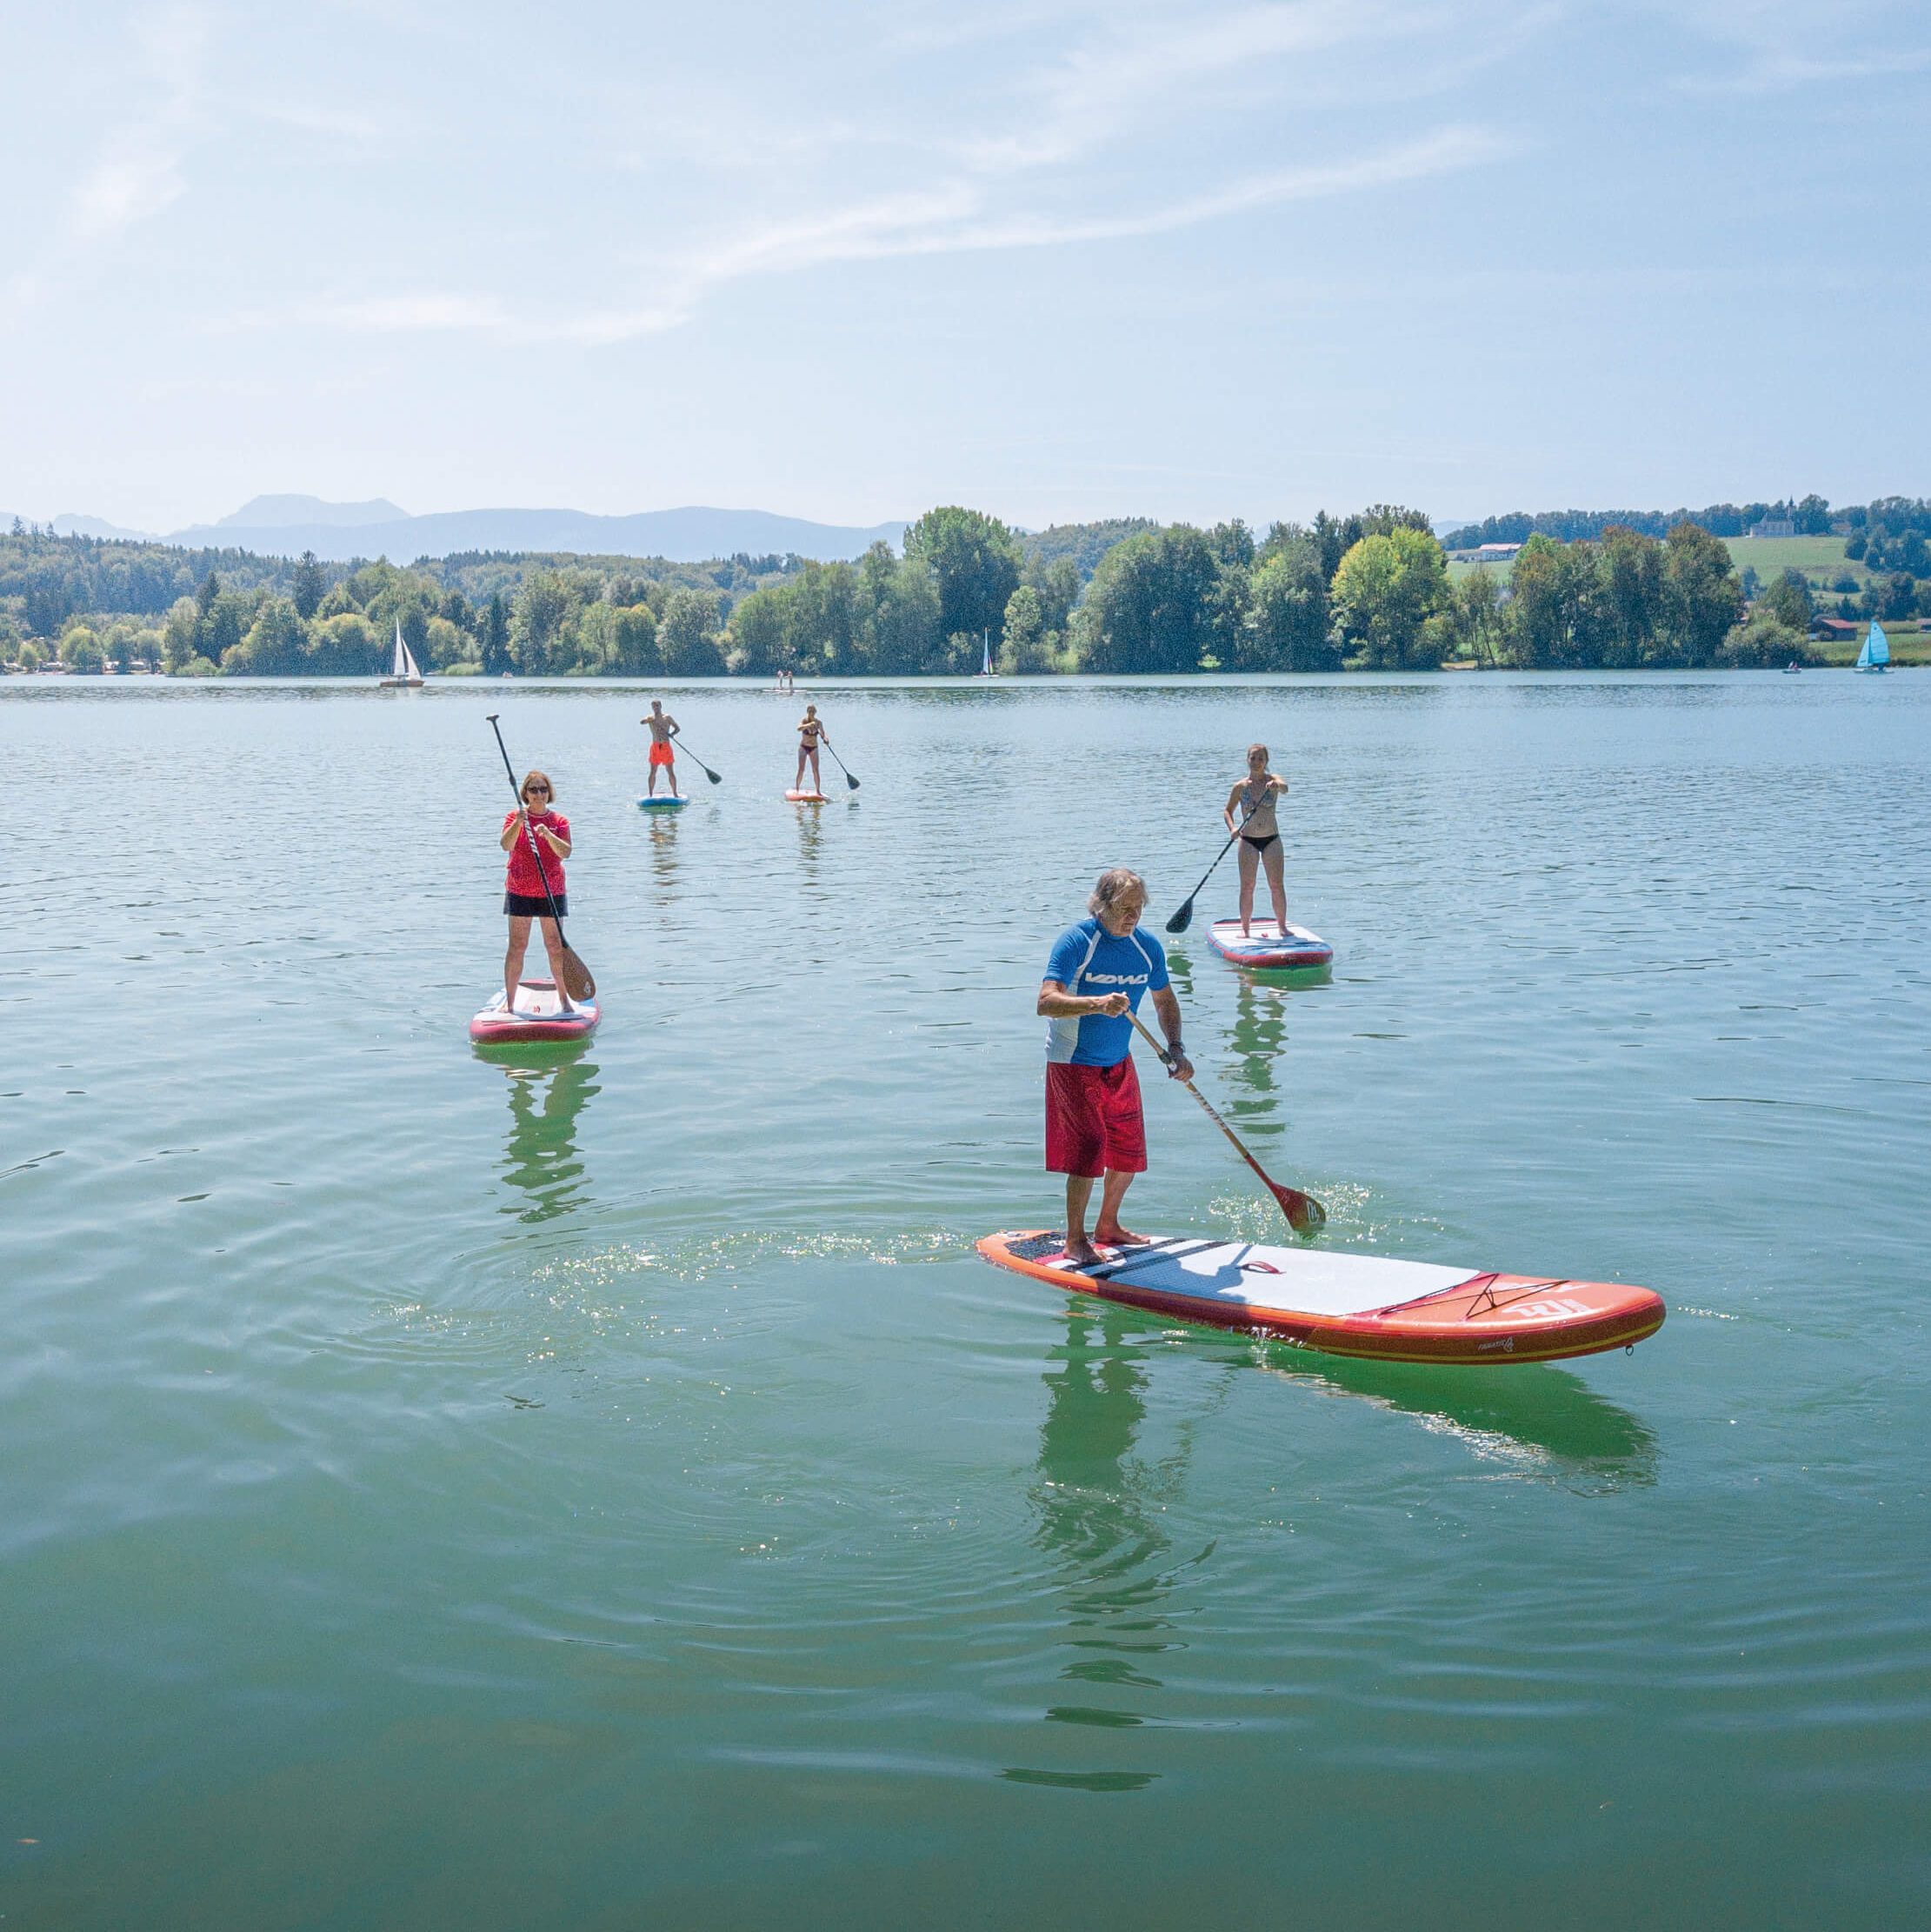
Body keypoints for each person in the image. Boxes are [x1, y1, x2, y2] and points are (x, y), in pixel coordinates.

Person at [1037, 868, 1193, 1265]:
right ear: (1101, 906)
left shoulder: (1147, 947)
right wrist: (1097, 1003)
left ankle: (1108, 1225)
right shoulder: (1077, 942)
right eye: (1124, 908)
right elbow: (1046, 1002)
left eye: (1139, 908)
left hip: (1118, 1061)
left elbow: (1164, 1001)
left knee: (1128, 1148)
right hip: (1073, 1061)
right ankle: (1075, 1240)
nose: (1133, 917)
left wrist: (1176, 1048)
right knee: (1089, 1149)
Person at [499, 769, 574, 1014]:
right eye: (534, 790)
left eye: (543, 789)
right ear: (526, 794)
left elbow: (565, 852)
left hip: (551, 891)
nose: (539, 794)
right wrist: (520, 823)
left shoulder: (560, 821)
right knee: (517, 945)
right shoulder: (514, 817)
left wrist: (548, 834)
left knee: (554, 945)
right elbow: (505, 845)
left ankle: (564, 1000)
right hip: (520, 889)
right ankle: (509, 1004)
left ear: (549, 792)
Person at [1224, 742, 1289, 937]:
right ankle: (1245, 930)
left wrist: (1277, 784)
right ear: (1247, 760)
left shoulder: (1274, 780)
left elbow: (1285, 788)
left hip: (1272, 840)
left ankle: (1282, 927)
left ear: (1266, 761)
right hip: (1248, 841)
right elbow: (1228, 811)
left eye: (1261, 758)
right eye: (1253, 758)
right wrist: (1233, 828)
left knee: (1276, 885)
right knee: (1247, 886)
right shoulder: (1240, 786)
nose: (1256, 762)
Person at [642, 699, 681, 796]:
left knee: (670, 771)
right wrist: (648, 720)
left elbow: (677, 728)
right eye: (654, 706)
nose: (656, 707)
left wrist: (672, 734)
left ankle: (675, 793)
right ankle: (650, 794)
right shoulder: (650, 718)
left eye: (657, 706)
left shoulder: (667, 717)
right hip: (655, 747)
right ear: (652, 708)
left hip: (665, 746)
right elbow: (642, 722)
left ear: (661, 706)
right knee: (653, 771)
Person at [795, 703, 828, 793]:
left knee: (815, 770)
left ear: (815, 712)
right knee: (801, 769)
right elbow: (798, 728)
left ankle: (818, 791)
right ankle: (797, 789)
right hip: (803, 747)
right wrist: (808, 725)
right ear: (807, 712)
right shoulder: (804, 721)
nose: (811, 713)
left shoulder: (819, 723)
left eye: (813, 711)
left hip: (814, 748)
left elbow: (823, 734)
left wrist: (825, 739)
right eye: (809, 711)